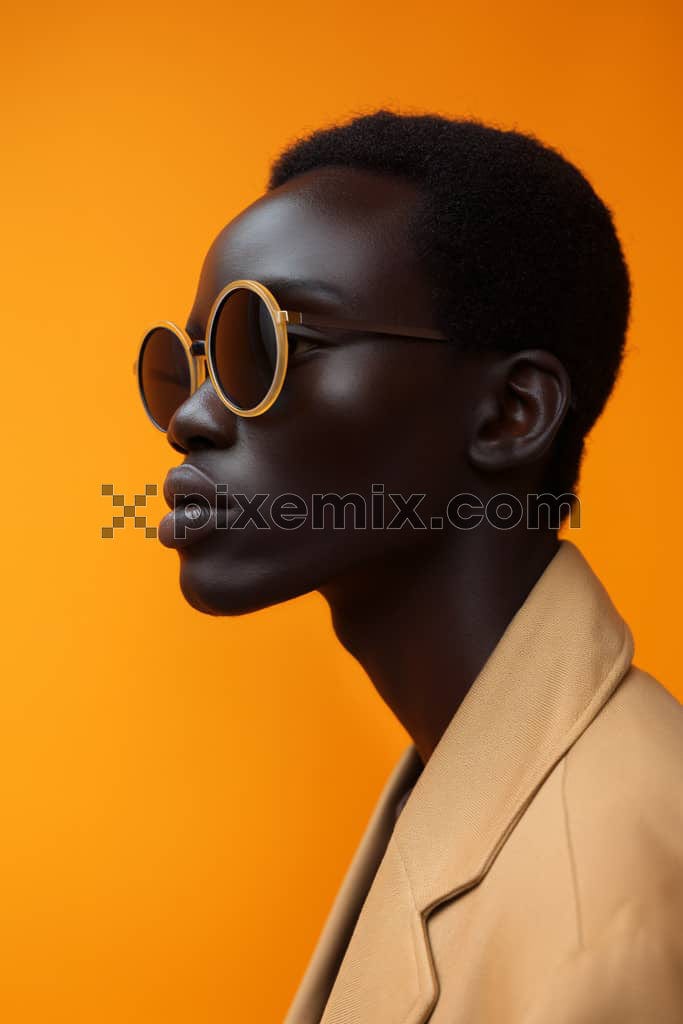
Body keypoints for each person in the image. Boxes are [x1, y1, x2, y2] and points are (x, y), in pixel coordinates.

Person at [135, 111, 683, 1022]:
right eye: (186, 363)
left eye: (260, 345)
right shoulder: (471, 776)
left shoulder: (603, 891)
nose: (188, 417)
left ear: (510, 413)